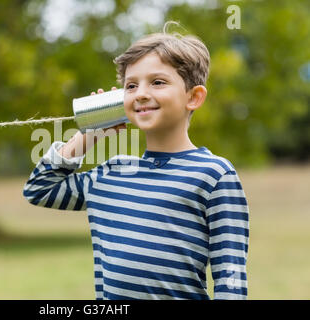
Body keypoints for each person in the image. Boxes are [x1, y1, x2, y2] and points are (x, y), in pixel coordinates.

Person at [23, 22, 249, 300]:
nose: (141, 93)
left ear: (193, 97)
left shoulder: (214, 175)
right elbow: (39, 190)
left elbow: (231, 277)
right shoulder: (112, 173)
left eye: (158, 82)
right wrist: (91, 132)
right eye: (131, 86)